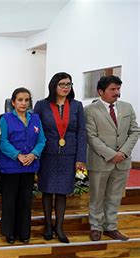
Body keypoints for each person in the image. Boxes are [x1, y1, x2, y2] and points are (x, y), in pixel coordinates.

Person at [33, 72, 87, 243]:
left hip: (69, 155)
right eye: (62, 84)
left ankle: (60, 227)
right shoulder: (42, 105)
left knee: (62, 192)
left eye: (68, 84)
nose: (65, 87)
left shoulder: (77, 106)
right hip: (47, 154)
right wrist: (35, 154)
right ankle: (48, 226)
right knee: (47, 191)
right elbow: (35, 131)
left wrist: (80, 158)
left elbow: (81, 133)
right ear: (54, 86)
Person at [85, 75, 139, 242]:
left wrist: (122, 153)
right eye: (112, 89)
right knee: (97, 196)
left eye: (118, 89)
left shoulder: (127, 108)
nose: (117, 92)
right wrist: (110, 154)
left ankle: (111, 226)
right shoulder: (90, 110)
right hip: (100, 161)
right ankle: (95, 226)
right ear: (100, 91)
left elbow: (135, 131)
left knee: (115, 196)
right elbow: (91, 136)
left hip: (122, 161)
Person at [0, 88, 46, 244]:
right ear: (13, 102)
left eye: (26, 100)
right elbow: (3, 141)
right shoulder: (5, 118)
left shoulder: (36, 119)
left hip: (29, 166)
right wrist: (18, 155)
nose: (23, 103)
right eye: (20, 100)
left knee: (25, 202)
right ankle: (9, 233)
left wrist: (33, 154)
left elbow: (42, 140)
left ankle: (24, 233)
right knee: (10, 201)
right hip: (10, 167)